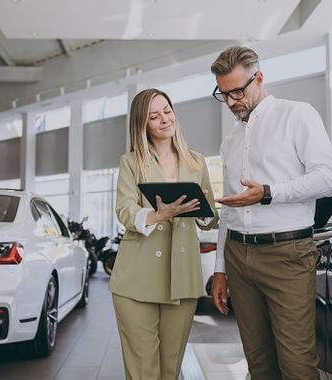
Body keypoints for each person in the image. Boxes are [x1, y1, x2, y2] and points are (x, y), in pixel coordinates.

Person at [209, 46, 332, 380]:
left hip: (287, 254)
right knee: (258, 364)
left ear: (260, 78)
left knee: (296, 364)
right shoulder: (230, 141)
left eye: (238, 91)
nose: (231, 101)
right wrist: (221, 269)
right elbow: (229, 209)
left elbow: (330, 179)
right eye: (224, 94)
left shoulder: (297, 115)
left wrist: (268, 193)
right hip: (238, 256)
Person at [109, 88, 219, 380]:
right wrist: (157, 215)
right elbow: (124, 210)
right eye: (153, 116)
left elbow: (210, 220)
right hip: (136, 279)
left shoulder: (196, 161)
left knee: (170, 368)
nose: (163, 119)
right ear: (142, 124)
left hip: (182, 277)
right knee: (144, 370)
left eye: (167, 111)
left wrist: (204, 207)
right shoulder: (131, 163)